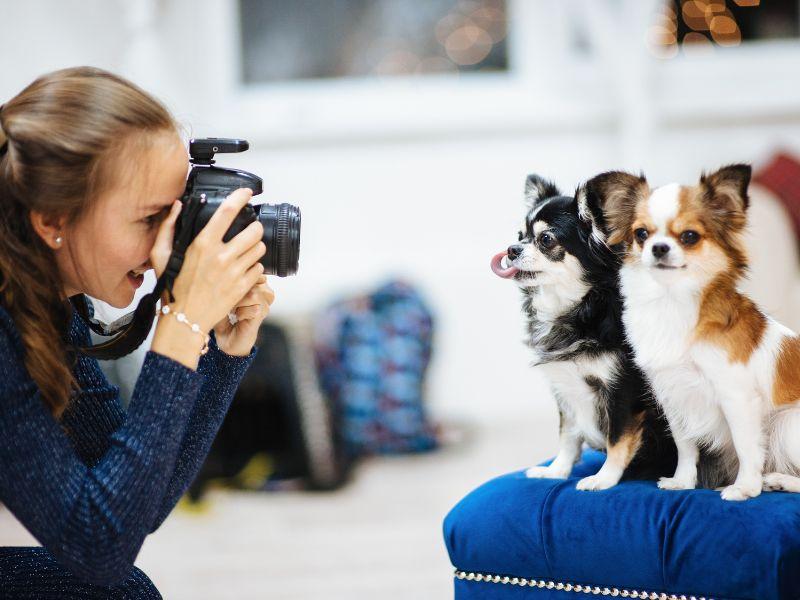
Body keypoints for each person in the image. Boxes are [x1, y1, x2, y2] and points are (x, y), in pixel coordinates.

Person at [0, 66, 274, 598]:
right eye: (151, 218)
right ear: (53, 220)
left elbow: (132, 506)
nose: (165, 247)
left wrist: (220, 350)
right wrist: (179, 326)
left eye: (178, 214)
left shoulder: (44, 303)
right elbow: (98, 546)